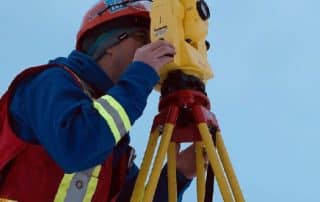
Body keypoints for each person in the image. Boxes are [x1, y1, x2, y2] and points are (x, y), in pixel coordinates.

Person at [0, 0, 201, 201]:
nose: (153, 47)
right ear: (108, 44)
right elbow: (77, 147)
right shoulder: (48, 83)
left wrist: (178, 174)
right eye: (143, 37)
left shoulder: (108, 132)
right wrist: (141, 74)